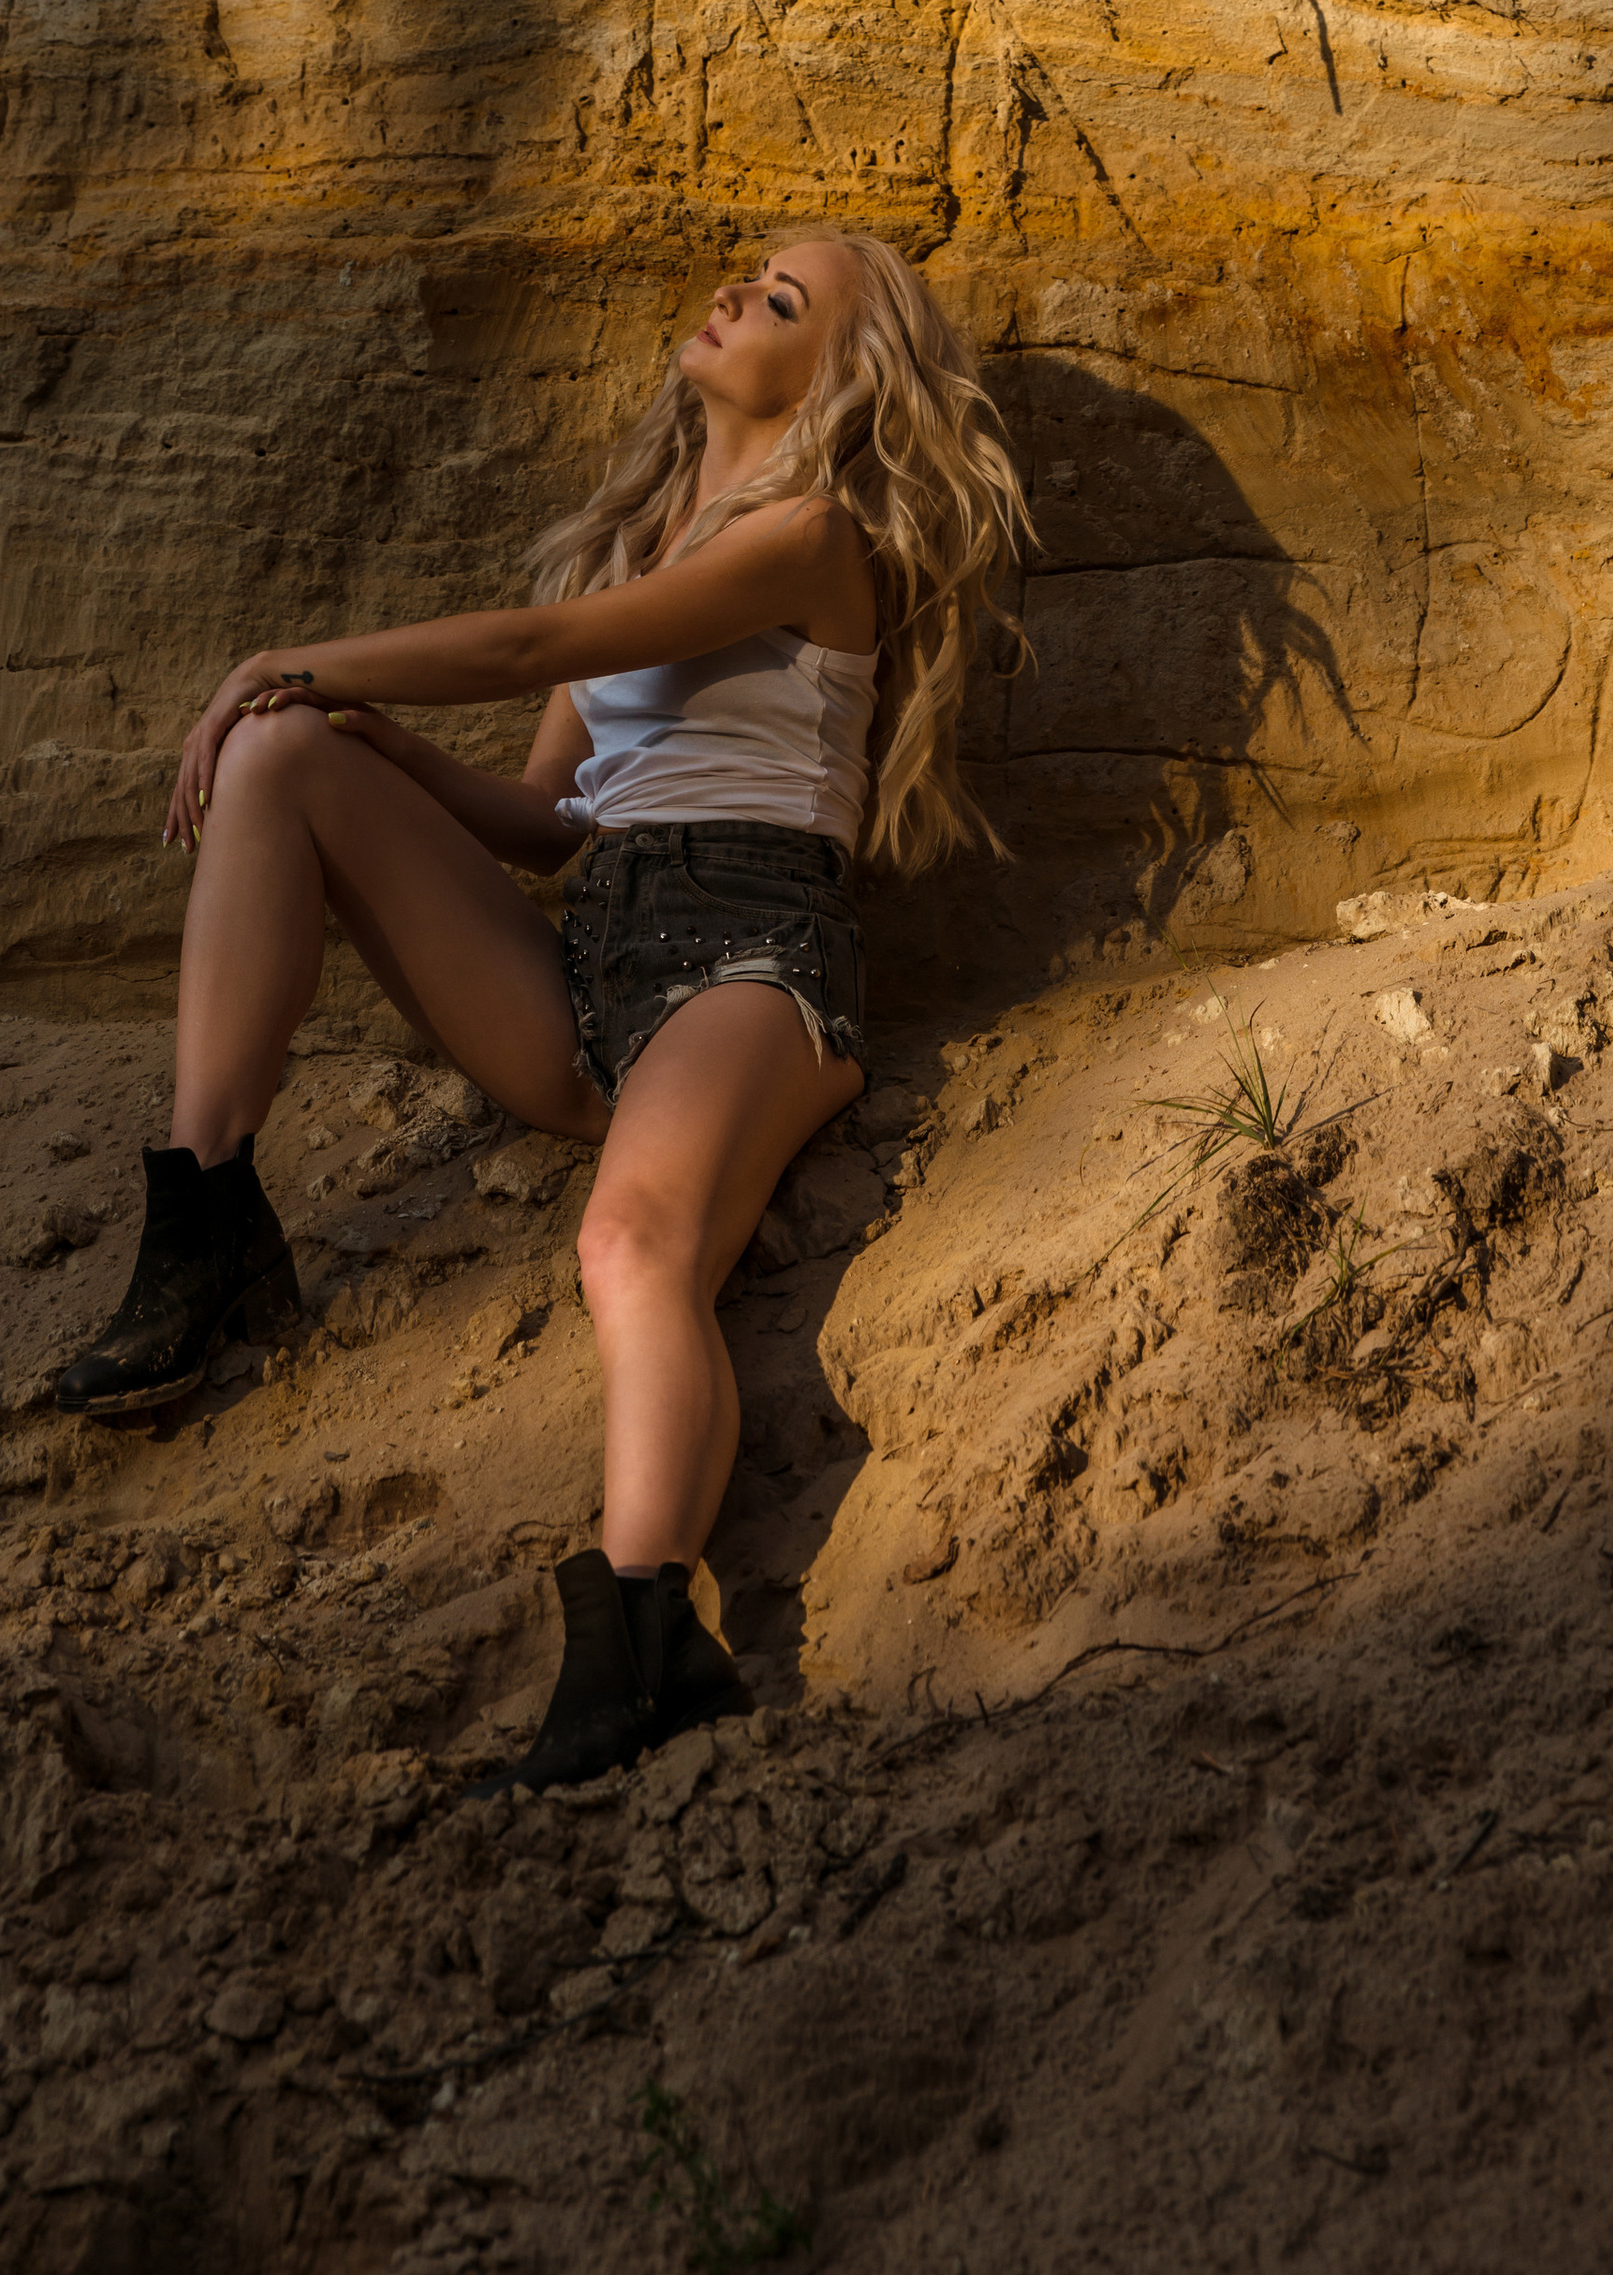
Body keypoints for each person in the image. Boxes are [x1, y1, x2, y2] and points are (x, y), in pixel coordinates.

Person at [54, 228, 1029, 1788]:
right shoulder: (630, 547)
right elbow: (543, 823)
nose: (728, 295)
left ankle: (645, 1634)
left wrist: (285, 654)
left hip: (749, 958)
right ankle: (210, 1220)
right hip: (594, 959)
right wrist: (353, 731)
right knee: (281, 756)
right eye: (741, 274)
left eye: (782, 303)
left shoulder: (811, 536)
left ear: (838, 374)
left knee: (630, 1246)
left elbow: (527, 648)